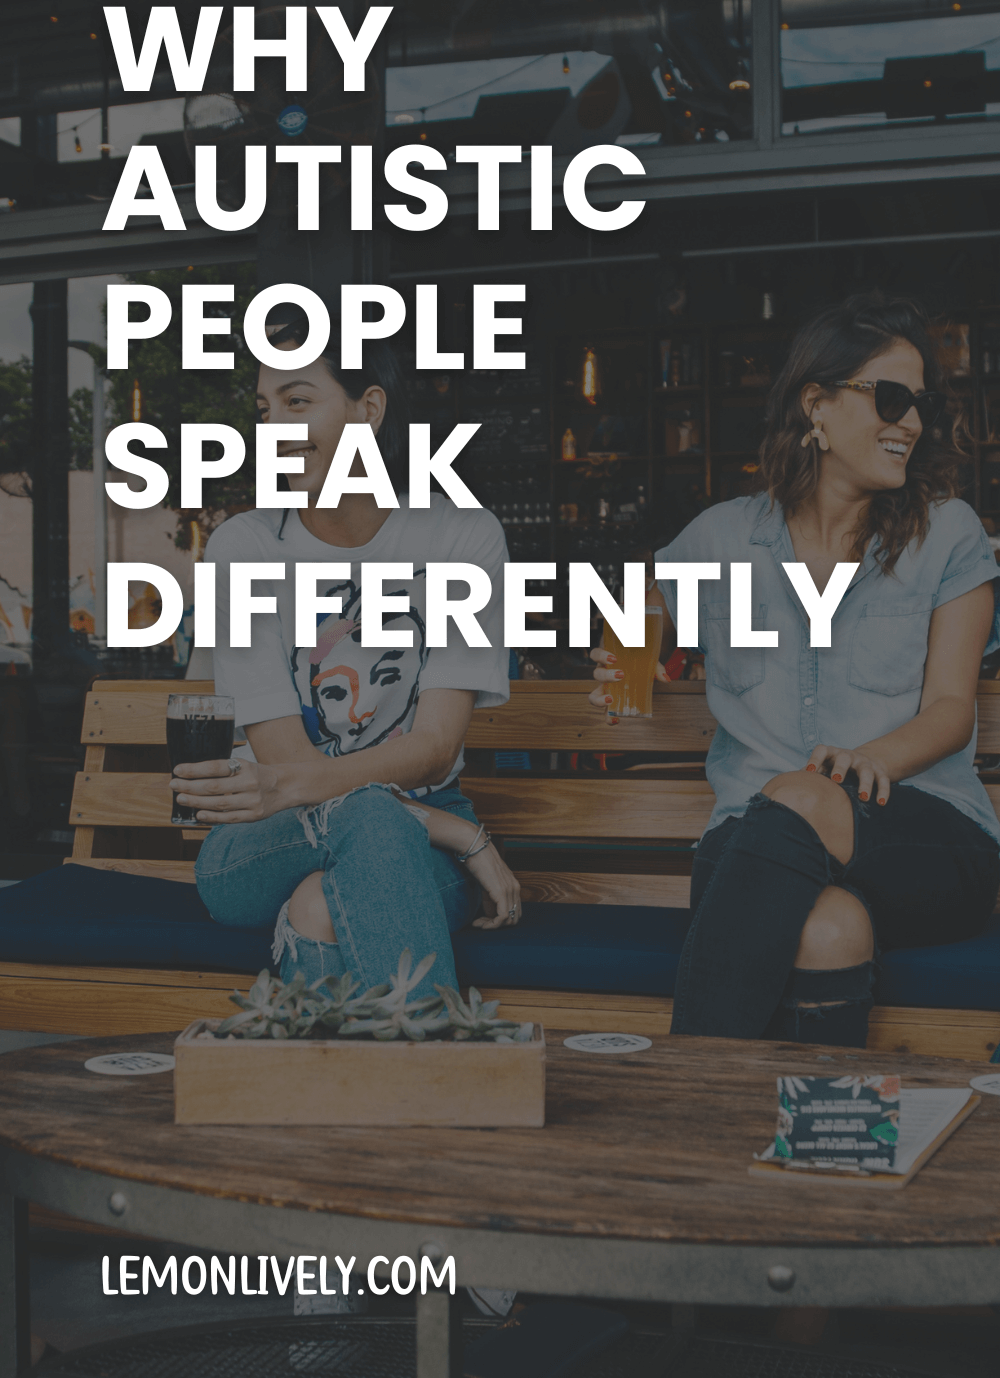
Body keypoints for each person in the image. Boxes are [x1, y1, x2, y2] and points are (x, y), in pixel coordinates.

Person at [591, 292, 1000, 1046]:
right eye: (890, 397)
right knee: (829, 930)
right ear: (817, 405)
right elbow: (630, 618)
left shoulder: (947, 535)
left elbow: (951, 709)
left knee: (807, 798)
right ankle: (811, 1147)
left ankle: (686, 1086)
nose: (909, 421)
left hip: (922, 837)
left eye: (920, 405)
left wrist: (867, 759)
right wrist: (630, 660)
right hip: (754, 844)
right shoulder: (722, 538)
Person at [170, 302, 521, 998]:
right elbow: (284, 772)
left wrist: (432, 822)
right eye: (265, 407)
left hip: (414, 830)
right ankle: (447, 1077)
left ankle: (345, 1093)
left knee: (317, 908)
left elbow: (432, 748)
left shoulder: (462, 538)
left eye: (298, 401)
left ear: (368, 409)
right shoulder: (246, 548)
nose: (272, 427)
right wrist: (456, 833)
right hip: (262, 838)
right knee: (362, 818)